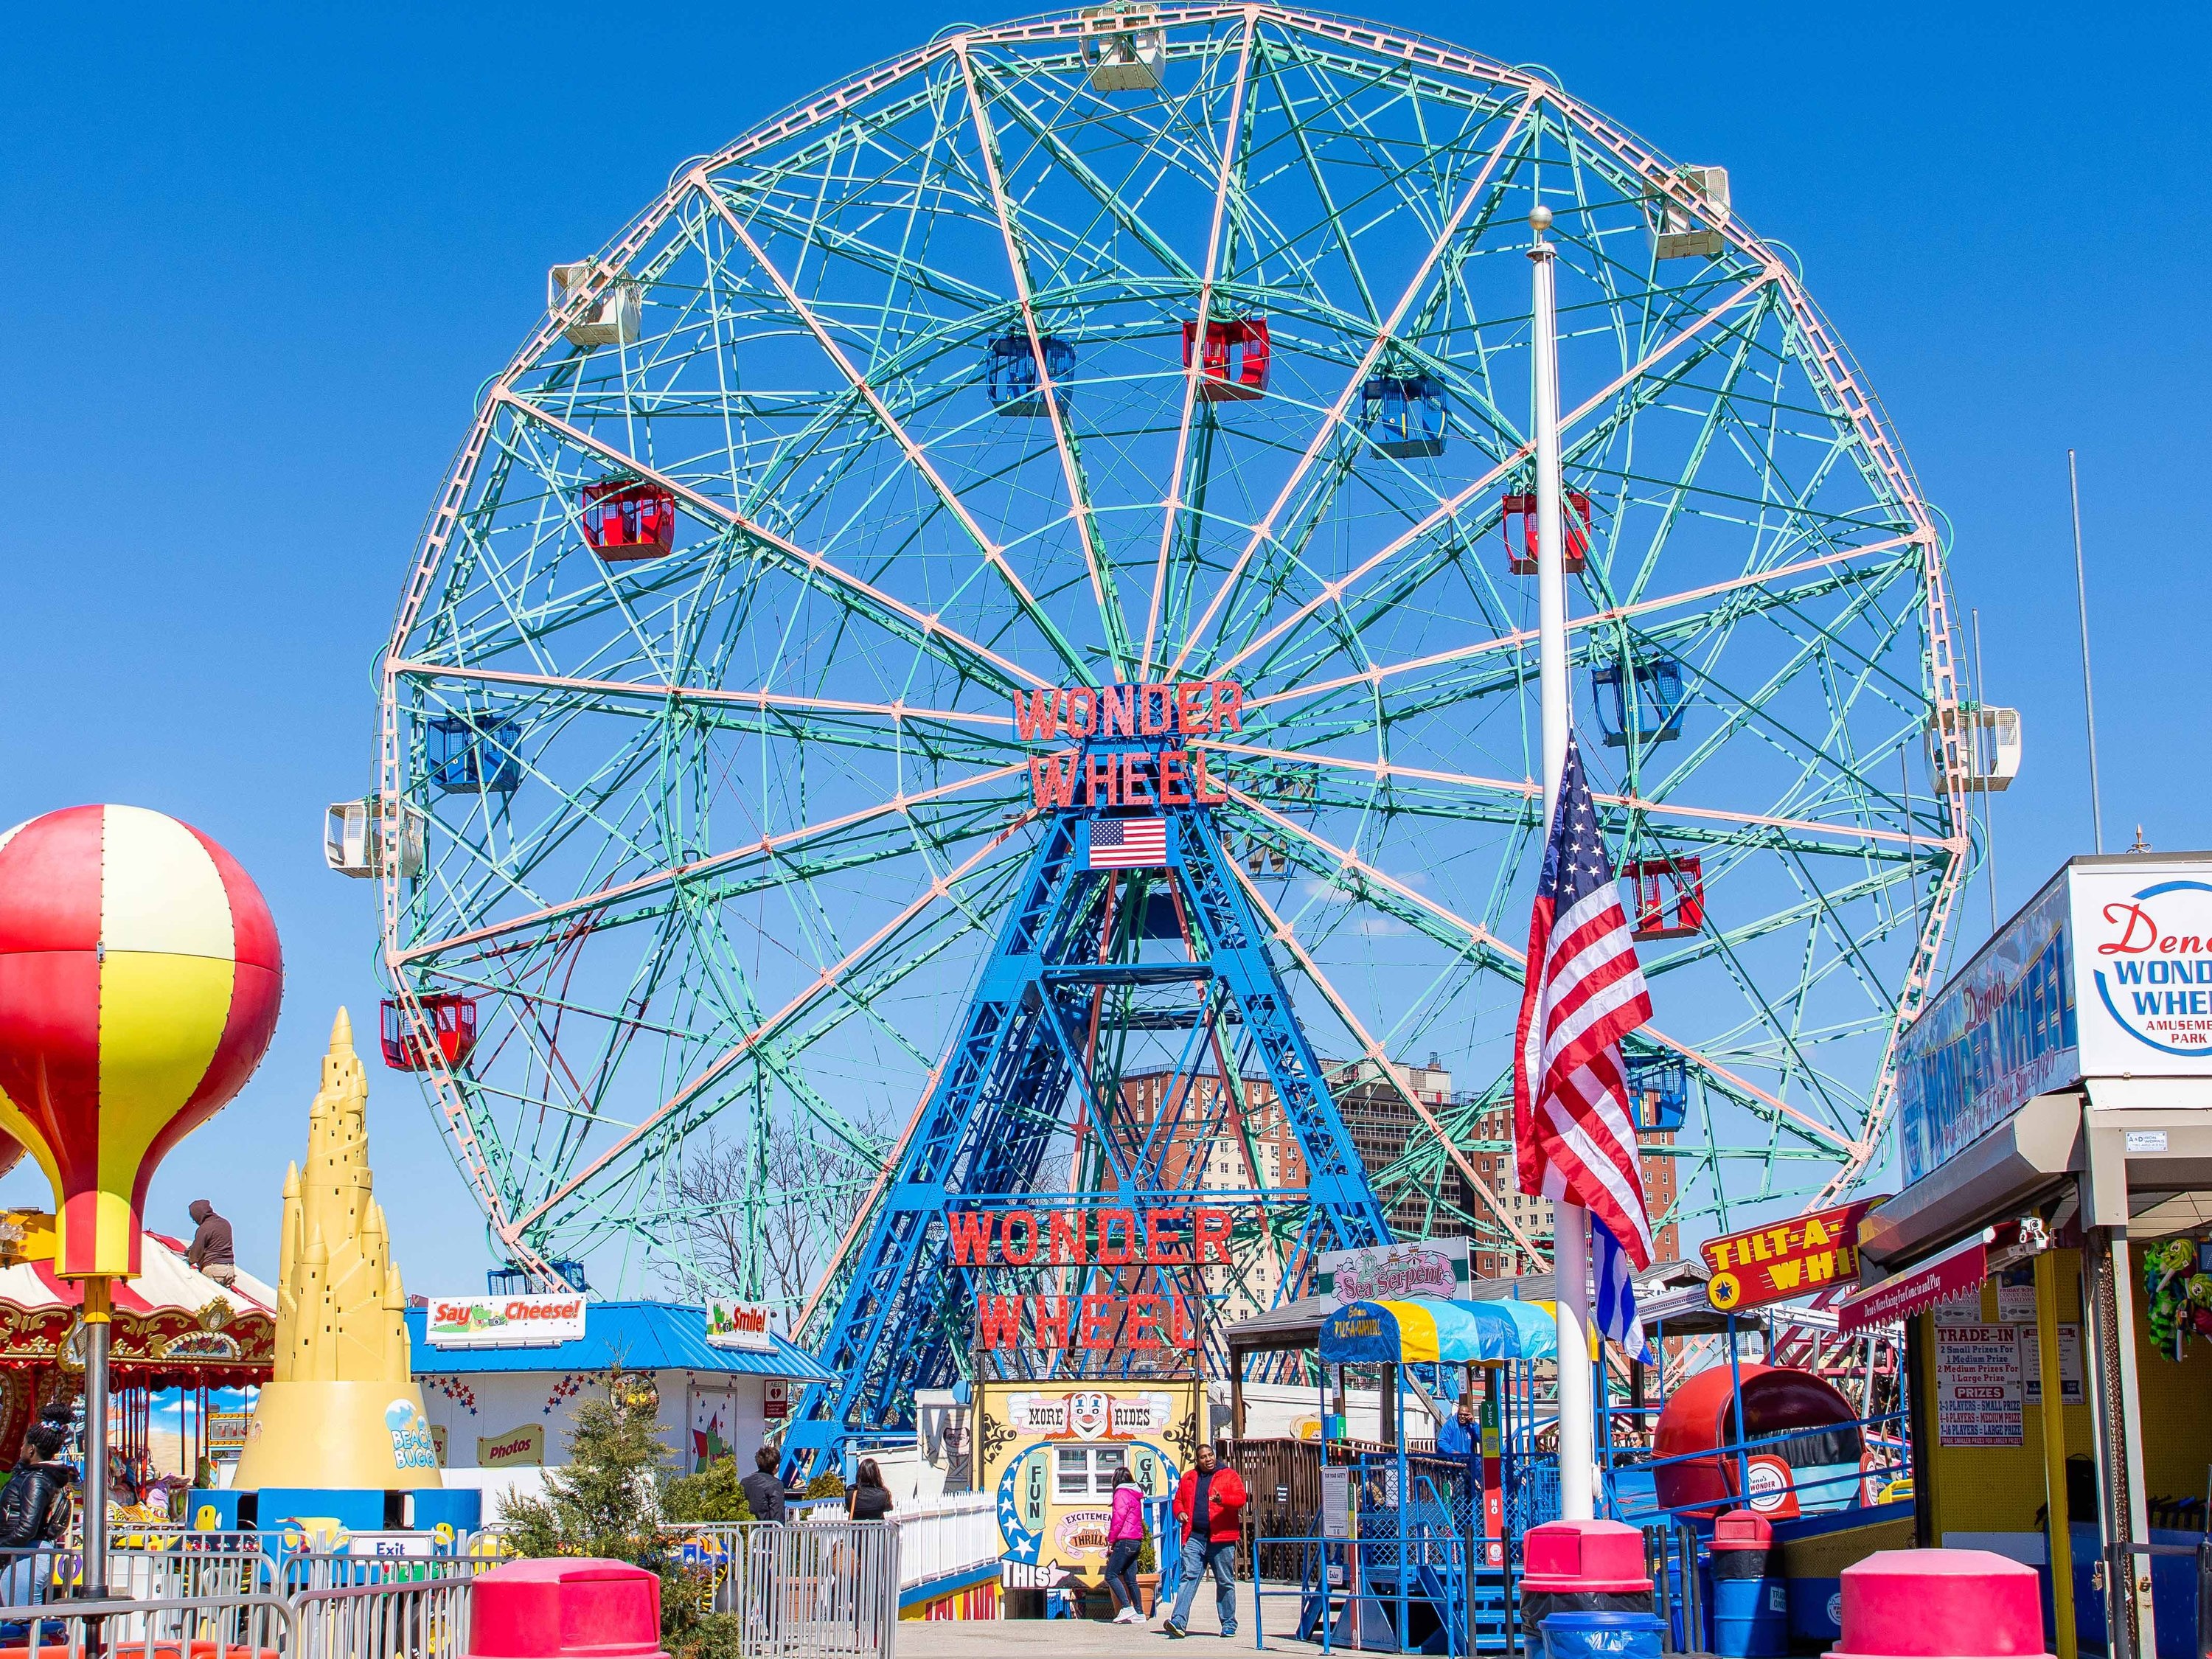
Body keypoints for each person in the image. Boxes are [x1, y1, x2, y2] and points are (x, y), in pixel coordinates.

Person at [1162, 1441, 1246, 1639]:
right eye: (1203, 1457)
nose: (1208, 1459)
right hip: (1195, 1538)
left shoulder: (1228, 1475)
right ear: (1197, 1460)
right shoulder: (1189, 1478)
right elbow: (1178, 1501)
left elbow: (1241, 1499)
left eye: (1210, 1455)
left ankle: (1228, 1624)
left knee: (1225, 1581)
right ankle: (1178, 1622)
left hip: (1221, 1539)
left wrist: (1222, 1499)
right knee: (1188, 1578)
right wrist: (1180, 1512)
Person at [0, 1419, 78, 1605]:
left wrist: (2, 1547)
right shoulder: (33, 1476)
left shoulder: (36, 1479)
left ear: (31, 1449)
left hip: (27, 1555)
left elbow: (27, 1527)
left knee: (24, 1621)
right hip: (23, 1554)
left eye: (24, 1444)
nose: (21, 1449)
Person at [1102, 1467, 1147, 1625]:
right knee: (1130, 1578)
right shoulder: (1135, 1494)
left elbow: (1118, 1520)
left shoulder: (1121, 1493)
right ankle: (1140, 1613)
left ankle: (1127, 1607)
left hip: (1125, 1539)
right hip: (1136, 1540)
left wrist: (1111, 1540)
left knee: (1110, 1575)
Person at [184, 1202, 235, 1287]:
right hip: (229, 1269)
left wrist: (188, 1260)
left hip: (214, 1269)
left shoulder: (205, 1228)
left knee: (209, 1297)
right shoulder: (225, 1223)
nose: (195, 1221)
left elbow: (196, 1253)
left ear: (199, 1215)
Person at [740, 1446, 788, 1523]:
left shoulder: (744, 1482)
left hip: (745, 1530)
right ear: (777, 1466)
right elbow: (777, 1515)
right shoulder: (776, 1485)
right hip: (765, 1532)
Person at [845, 1457, 893, 1521]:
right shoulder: (883, 1494)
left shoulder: (851, 1493)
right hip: (877, 1530)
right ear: (876, 1475)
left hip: (857, 1530)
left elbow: (848, 1509)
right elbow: (889, 1508)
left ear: (859, 1474)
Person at [1436, 1395, 1477, 1459]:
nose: (1463, 1417)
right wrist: (1452, 1451)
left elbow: (1481, 1439)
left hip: (1467, 1461)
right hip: (1451, 1462)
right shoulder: (1450, 1424)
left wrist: (1474, 1424)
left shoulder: (1472, 1425)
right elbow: (1441, 1441)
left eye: (1465, 1415)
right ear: (1457, 1414)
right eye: (1461, 1414)